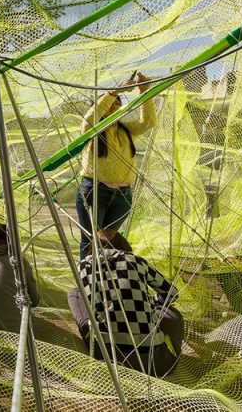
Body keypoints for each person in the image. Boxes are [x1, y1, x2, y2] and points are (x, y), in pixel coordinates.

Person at [68, 229, 183, 377]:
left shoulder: (82, 266)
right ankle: (171, 350)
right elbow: (172, 294)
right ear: (123, 245)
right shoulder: (134, 260)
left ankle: (89, 336)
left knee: (75, 293)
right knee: (174, 314)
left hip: (106, 357)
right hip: (155, 364)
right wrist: (152, 303)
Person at [75, 72, 156, 259]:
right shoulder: (91, 130)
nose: (115, 106)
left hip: (122, 196)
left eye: (118, 102)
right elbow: (90, 119)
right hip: (95, 191)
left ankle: (108, 283)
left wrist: (145, 92)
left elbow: (149, 122)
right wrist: (113, 92)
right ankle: (87, 282)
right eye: (110, 103)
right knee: (91, 241)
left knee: (111, 242)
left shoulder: (126, 131)